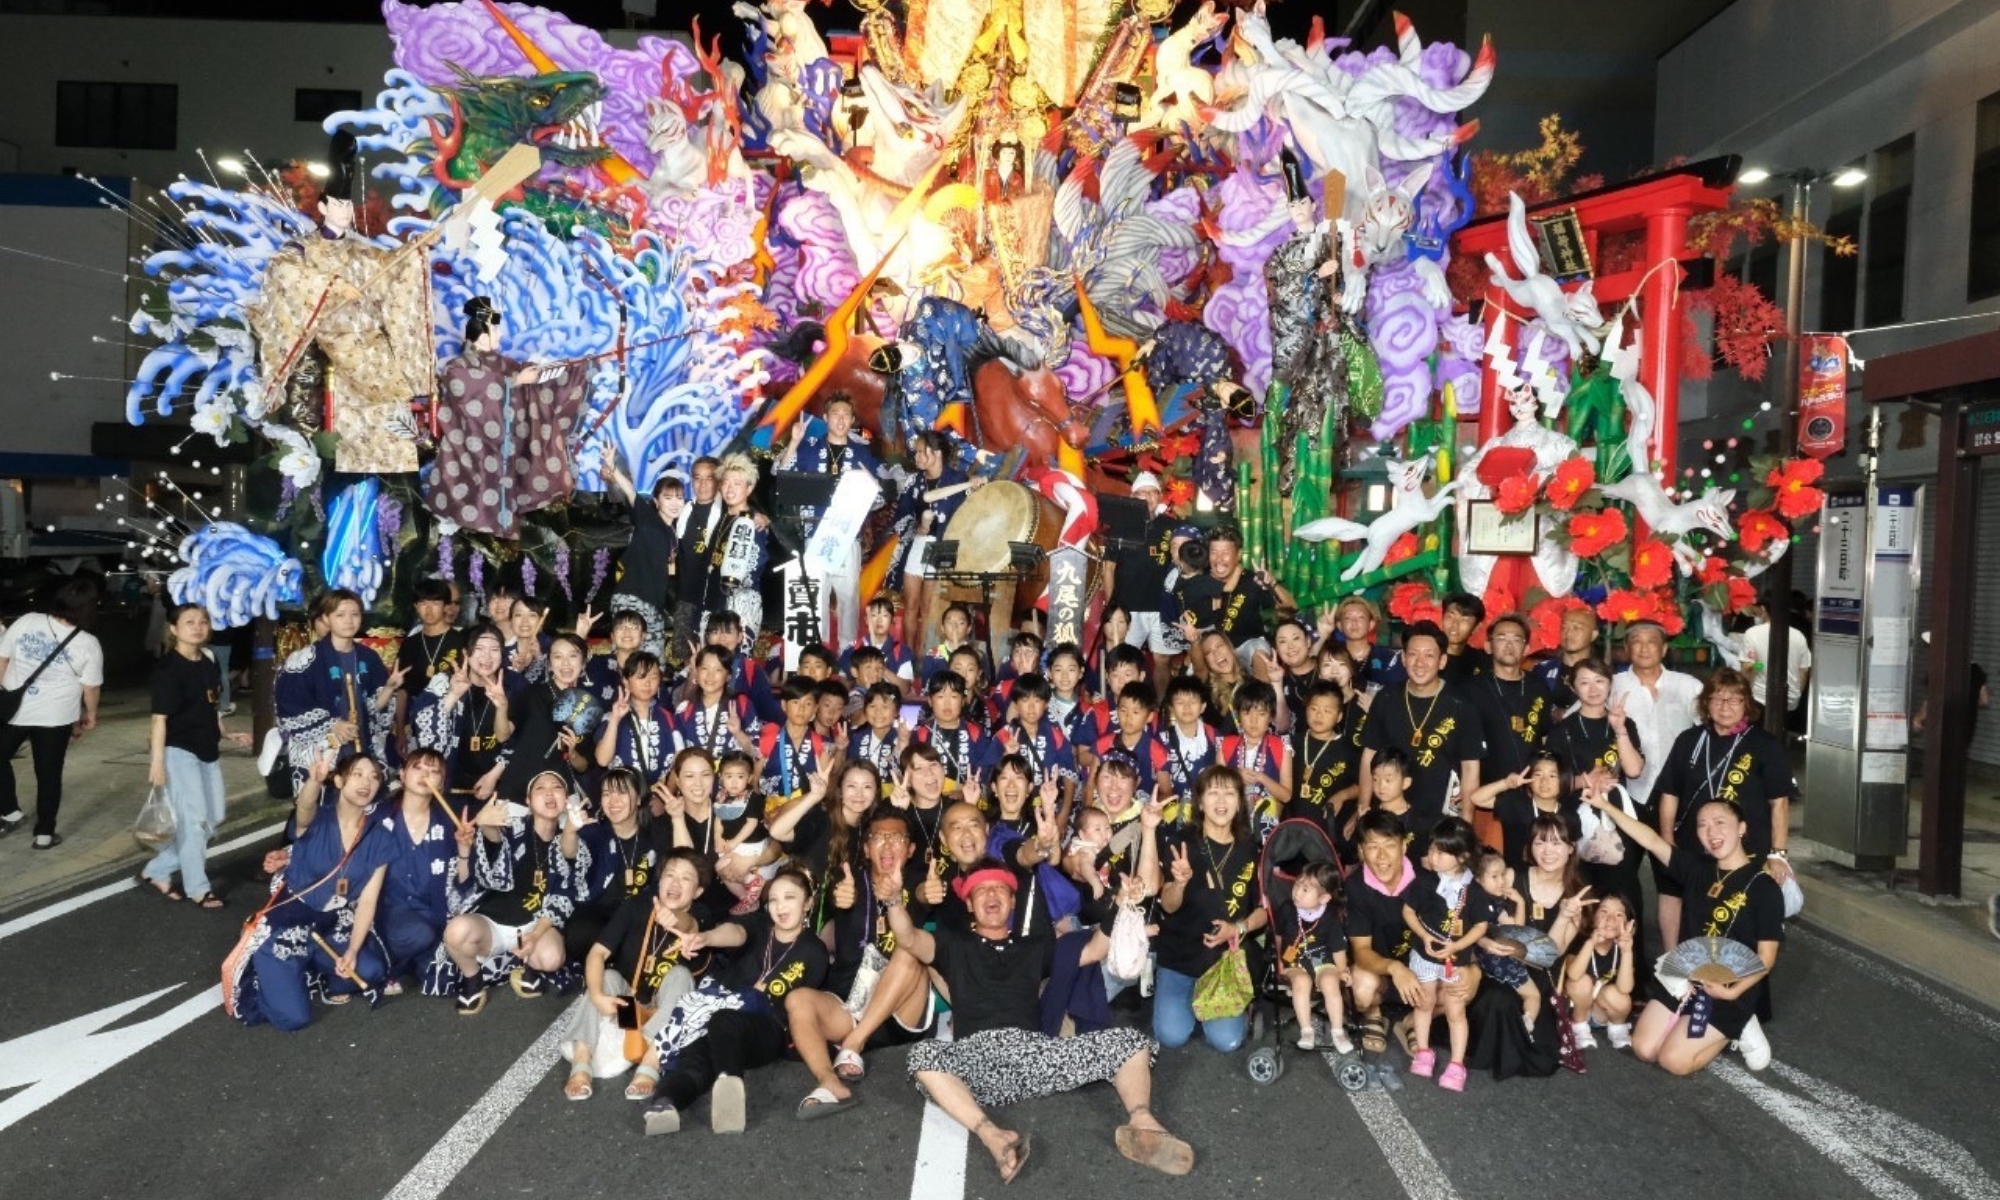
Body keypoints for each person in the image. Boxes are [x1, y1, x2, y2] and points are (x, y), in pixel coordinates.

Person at [890, 858, 1195, 1181]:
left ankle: (1142, 1121)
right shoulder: (952, 943)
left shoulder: (1033, 946)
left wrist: (1120, 903)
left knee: (1131, 1042)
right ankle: (993, 1135)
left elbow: (1094, 950)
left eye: (999, 889)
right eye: (981, 891)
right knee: (923, 1055)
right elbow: (908, 938)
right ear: (968, 903)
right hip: (974, 1062)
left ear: (1012, 901)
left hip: (1034, 1057)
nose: (991, 895)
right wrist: (894, 900)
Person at [1580, 779, 1783, 1074]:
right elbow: (1651, 840)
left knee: (1673, 1061)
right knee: (1644, 1049)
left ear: (1741, 828)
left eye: (1720, 823)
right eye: (1702, 825)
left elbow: (1766, 956)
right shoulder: (1697, 869)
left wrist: (1731, 993)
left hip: (1729, 987)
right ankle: (1705, 1026)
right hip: (1685, 975)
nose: (1711, 832)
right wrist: (1604, 806)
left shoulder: (1764, 886)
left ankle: (1738, 1027)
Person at [643, 868, 830, 1135]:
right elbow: (735, 932)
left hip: (767, 1030)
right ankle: (666, 1102)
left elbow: (805, 1008)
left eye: (789, 897)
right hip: (721, 1014)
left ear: (808, 903)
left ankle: (728, 1084)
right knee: (696, 1052)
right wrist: (706, 938)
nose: (780, 907)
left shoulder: (814, 951)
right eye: (773, 900)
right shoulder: (759, 926)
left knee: (723, 1021)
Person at [784, 808, 941, 1116]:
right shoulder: (849, 881)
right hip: (848, 1006)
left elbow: (927, 893)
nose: (888, 844)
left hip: (898, 1009)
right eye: (879, 838)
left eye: (897, 838)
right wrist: (838, 897)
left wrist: (932, 892)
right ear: (867, 848)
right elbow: (836, 898)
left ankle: (853, 1044)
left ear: (911, 849)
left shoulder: (920, 880)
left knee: (909, 950)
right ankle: (829, 1081)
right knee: (797, 999)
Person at [224, 753, 395, 1030]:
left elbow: (368, 901)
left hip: (332, 921)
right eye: (358, 774)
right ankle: (269, 961)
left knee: (371, 970)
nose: (367, 782)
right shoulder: (318, 818)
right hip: (292, 917)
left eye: (374, 777)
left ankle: (314, 967)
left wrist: (352, 950)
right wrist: (314, 781)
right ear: (338, 781)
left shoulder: (381, 837)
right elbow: (304, 809)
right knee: (294, 1018)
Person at [1650, 668, 1797, 962]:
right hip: (1693, 844)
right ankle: (1678, 969)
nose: (1725, 706)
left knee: (1736, 910)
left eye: (1734, 699)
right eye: (1717, 698)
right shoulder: (1689, 740)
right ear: (1706, 703)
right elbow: (1669, 792)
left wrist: (1778, 854)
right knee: (1682, 902)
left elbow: (1779, 803)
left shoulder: (1764, 744)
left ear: (1747, 704)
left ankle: (1734, 973)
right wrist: (1667, 839)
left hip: (1744, 847)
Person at [563, 848, 710, 1102]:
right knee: (608, 976)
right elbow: (597, 953)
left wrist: (674, 918)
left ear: (697, 892)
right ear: (659, 880)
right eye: (669, 875)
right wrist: (597, 996)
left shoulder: (703, 917)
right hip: (629, 1011)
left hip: (664, 1015)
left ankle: (651, 1061)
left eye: (686, 878)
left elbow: (691, 925)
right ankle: (582, 1060)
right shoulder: (636, 906)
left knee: (680, 974)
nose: (675, 883)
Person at [441, 769, 584, 1012]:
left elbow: (565, 890)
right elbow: (495, 839)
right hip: (493, 925)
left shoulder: (569, 836)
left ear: (566, 799)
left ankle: (527, 965)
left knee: (552, 958)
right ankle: (473, 979)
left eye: (557, 788)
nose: (550, 793)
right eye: (540, 788)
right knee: (456, 932)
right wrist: (486, 825)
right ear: (528, 801)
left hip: (535, 926)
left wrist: (535, 936)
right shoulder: (513, 827)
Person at [141, 602, 251, 904]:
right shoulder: (167, 670)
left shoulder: (208, 660)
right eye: (189, 622)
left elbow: (210, 704)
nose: (198, 627)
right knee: (193, 821)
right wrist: (157, 763)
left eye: (203, 621)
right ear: (174, 629)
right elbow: (159, 720)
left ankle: (158, 869)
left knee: (213, 817)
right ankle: (198, 889)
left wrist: (225, 732)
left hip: (207, 748)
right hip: (179, 751)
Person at [1152, 766, 1266, 1052]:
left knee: (1226, 1042)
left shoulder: (1251, 848)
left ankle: (1227, 1006)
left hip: (1223, 961)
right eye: (1213, 793)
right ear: (1200, 803)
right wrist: (1179, 884)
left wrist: (1238, 928)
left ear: (1239, 803)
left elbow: (1264, 911)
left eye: (1229, 793)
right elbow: (1168, 905)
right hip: (1180, 957)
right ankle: (1191, 999)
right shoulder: (1181, 843)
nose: (1221, 801)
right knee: (1171, 1036)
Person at [0, 574, 103, 847]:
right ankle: (44, 834)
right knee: (49, 775)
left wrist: (4, 691)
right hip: (56, 716)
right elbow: (90, 687)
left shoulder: (27, 621)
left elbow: (2, 659)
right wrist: (90, 715)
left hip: (14, 708)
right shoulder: (88, 643)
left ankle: (9, 811)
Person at [1358, 621, 1483, 845]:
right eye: (1413, 654)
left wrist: (1466, 821)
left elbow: (1470, 767)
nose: (1420, 663)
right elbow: (1370, 754)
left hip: (1440, 818)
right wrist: (1364, 806)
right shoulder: (1386, 698)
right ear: (1403, 658)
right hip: (1389, 817)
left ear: (1442, 661)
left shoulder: (1462, 706)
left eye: (1429, 655)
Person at [276, 589, 406, 794]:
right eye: (340, 615)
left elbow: (374, 709)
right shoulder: (303, 660)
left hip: (361, 744)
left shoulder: (369, 657)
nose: (349, 621)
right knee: (321, 802)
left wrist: (389, 688)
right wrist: (333, 724)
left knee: (362, 801)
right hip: (323, 747)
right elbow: (290, 707)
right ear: (326, 618)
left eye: (355, 614)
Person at [781, 394, 883, 648]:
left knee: (848, 595)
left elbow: (878, 497)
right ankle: (819, 650)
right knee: (817, 594)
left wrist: (873, 485)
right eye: (835, 414)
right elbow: (783, 476)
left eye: (846, 415)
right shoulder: (809, 448)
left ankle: (848, 650)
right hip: (815, 532)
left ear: (852, 420)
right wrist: (794, 442)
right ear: (825, 418)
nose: (840, 419)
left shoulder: (862, 453)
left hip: (847, 534)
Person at [1400, 817, 1490, 1092]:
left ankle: (1457, 1064)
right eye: (1432, 849)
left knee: (1455, 1010)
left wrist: (1458, 947)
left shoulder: (1474, 890)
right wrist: (1424, 935)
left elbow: (1481, 926)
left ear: (1462, 856)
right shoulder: (1425, 881)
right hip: (1424, 954)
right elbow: (1408, 911)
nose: (1432, 856)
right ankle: (1423, 1051)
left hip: (1456, 960)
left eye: (1441, 852)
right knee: (1424, 1003)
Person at [409, 623, 518, 815]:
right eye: (479, 649)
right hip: (449, 786)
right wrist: (452, 695)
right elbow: (425, 738)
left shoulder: (514, 684)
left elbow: (522, 737)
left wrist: (494, 775)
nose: (487, 657)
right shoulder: (445, 681)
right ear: (466, 653)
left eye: (494, 650)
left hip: (498, 787)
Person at [373, 750, 458, 992]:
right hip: (389, 911)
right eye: (417, 768)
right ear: (402, 775)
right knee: (419, 934)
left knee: (444, 982)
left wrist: (464, 849)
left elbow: (463, 877)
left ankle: (413, 959)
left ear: (442, 783)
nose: (425, 775)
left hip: (433, 911)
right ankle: (386, 963)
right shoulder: (379, 815)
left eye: (434, 771)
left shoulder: (449, 821)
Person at [1464, 612, 1548, 851]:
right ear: (1488, 646)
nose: (1509, 645)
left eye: (1517, 639)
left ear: (1527, 648)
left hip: (1533, 799)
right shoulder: (1471, 690)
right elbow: (1465, 755)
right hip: (1488, 800)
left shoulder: (1538, 687)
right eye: (1501, 638)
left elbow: (1544, 739)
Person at [1107, 471, 1195, 688]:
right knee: (1125, 661)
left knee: (1162, 660)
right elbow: (1108, 568)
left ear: (1160, 496)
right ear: (1133, 496)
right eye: (1142, 492)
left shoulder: (1171, 527)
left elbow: (1185, 564)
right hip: (1129, 607)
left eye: (1152, 492)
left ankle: (1160, 704)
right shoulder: (1120, 526)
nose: (1147, 497)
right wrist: (1111, 606)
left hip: (1163, 606)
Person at [1608, 619, 1702, 822]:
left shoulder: (1688, 686)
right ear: (1626, 648)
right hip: (1628, 790)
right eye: (1636, 641)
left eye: (1651, 641)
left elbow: (1710, 730)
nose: (1644, 648)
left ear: (1664, 648)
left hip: (1679, 788)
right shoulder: (1612, 685)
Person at [600, 448, 682, 659]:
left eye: (679, 498)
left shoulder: (672, 532)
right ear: (656, 501)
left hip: (652, 603)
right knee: (629, 657)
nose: (674, 503)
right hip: (632, 599)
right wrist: (613, 467)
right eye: (668, 497)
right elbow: (630, 492)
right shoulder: (649, 519)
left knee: (652, 661)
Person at [1276, 860, 1353, 1053]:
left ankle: (1337, 1031)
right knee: (1301, 982)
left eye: (1305, 890)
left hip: (1322, 961)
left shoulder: (1330, 916)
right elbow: (1278, 936)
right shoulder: (1287, 909)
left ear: (1324, 898)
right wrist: (1278, 958)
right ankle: (1306, 1030)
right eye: (1297, 885)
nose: (1297, 893)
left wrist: (1342, 969)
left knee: (1330, 982)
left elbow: (1337, 947)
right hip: (1294, 961)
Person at [395, 578, 467, 745]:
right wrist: (400, 730)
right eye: (422, 603)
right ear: (415, 606)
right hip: (416, 721)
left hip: (453, 719)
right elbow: (402, 691)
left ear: (445, 606)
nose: (428, 609)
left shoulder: (461, 641)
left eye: (435, 602)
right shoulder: (410, 644)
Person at [1564, 891, 1639, 1051]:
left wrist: (1627, 952)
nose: (1611, 919)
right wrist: (1591, 943)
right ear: (1592, 917)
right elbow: (1573, 975)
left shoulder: (1625, 948)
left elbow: (1625, 988)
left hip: (1601, 1012)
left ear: (1628, 923)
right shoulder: (1581, 940)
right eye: (1604, 911)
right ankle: (1579, 1028)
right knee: (1580, 982)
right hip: (1577, 1008)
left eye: (1619, 915)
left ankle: (1617, 1029)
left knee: (1621, 997)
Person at [671, 456, 725, 665]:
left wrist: (757, 515)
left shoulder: (727, 512)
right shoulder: (681, 511)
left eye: (709, 478)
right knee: (686, 659)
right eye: (697, 478)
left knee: (715, 658)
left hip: (714, 598)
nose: (702, 485)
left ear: (718, 481)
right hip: (686, 596)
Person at [1736, 598, 1812, 731]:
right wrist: (1796, 693)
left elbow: (1748, 668)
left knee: (1757, 735)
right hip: (1789, 701)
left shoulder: (1752, 633)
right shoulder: (1799, 636)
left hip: (1759, 698)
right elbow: (1804, 670)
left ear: (1764, 610)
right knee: (1779, 735)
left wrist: (1745, 693)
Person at [1531, 604, 1599, 711]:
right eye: (1564, 627)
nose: (1568, 633)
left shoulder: (1603, 673)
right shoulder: (1542, 671)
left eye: (1577, 628)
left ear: (1593, 635)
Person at [1438, 592, 1491, 684]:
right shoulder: (1427, 654)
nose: (1455, 625)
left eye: (1464, 620)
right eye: (1450, 616)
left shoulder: (1480, 660)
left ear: (1476, 627)